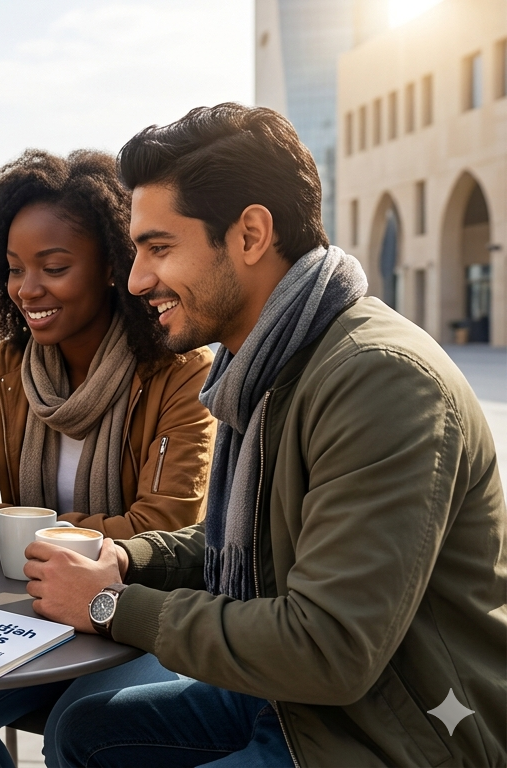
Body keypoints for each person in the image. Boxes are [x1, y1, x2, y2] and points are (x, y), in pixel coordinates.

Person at [27, 104, 505, 767]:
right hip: (288, 704)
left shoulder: (380, 380)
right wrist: (132, 561)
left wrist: (111, 605)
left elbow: (329, 649)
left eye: (159, 247)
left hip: (396, 732)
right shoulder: (268, 362)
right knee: (84, 732)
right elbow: (254, 537)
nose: (136, 279)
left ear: (250, 234)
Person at [0, 149, 216, 767]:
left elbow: (161, 528)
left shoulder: (179, 371)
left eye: (53, 267)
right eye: (14, 268)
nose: (28, 289)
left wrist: (21, 528)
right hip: (35, 610)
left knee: (80, 727)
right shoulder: (7, 367)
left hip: (137, 613)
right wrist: (23, 533)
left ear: (111, 265)